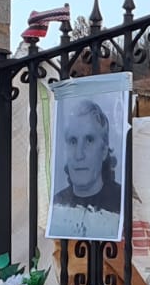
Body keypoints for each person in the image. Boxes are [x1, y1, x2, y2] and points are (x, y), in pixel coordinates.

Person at [48, 97, 123, 239]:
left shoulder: (123, 202)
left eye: (89, 140)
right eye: (73, 141)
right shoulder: (56, 204)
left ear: (104, 150)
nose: (79, 154)